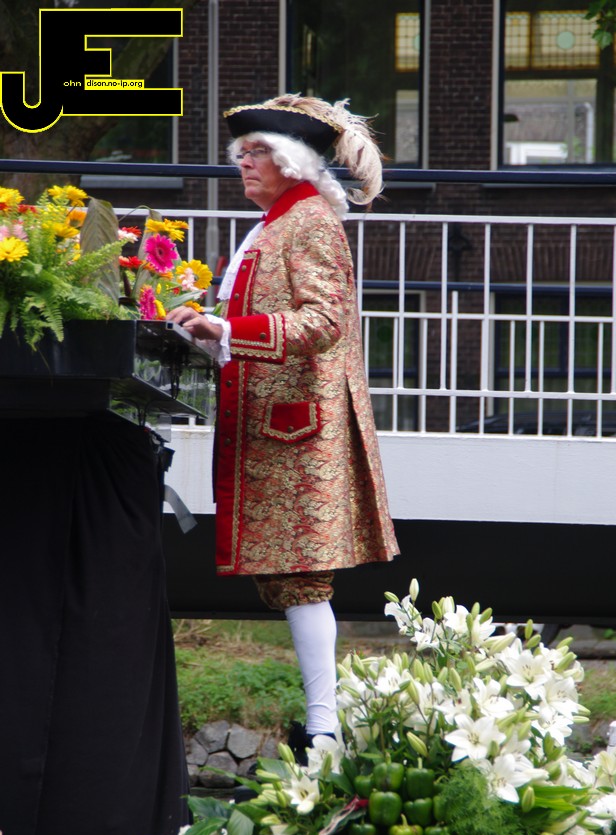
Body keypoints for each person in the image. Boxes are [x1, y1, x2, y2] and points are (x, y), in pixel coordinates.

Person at [167, 93, 399, 759]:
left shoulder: (309, 222)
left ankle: (324, 730)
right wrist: (206, 330)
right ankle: (322, 729)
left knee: (304, 579)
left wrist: (225, 330)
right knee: (294, 582)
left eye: (257, 151)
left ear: (293, 162)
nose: (243, 162)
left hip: (298, 428)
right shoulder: (280, 223)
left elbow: (322, 323)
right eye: (241, 153)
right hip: (279, 425)